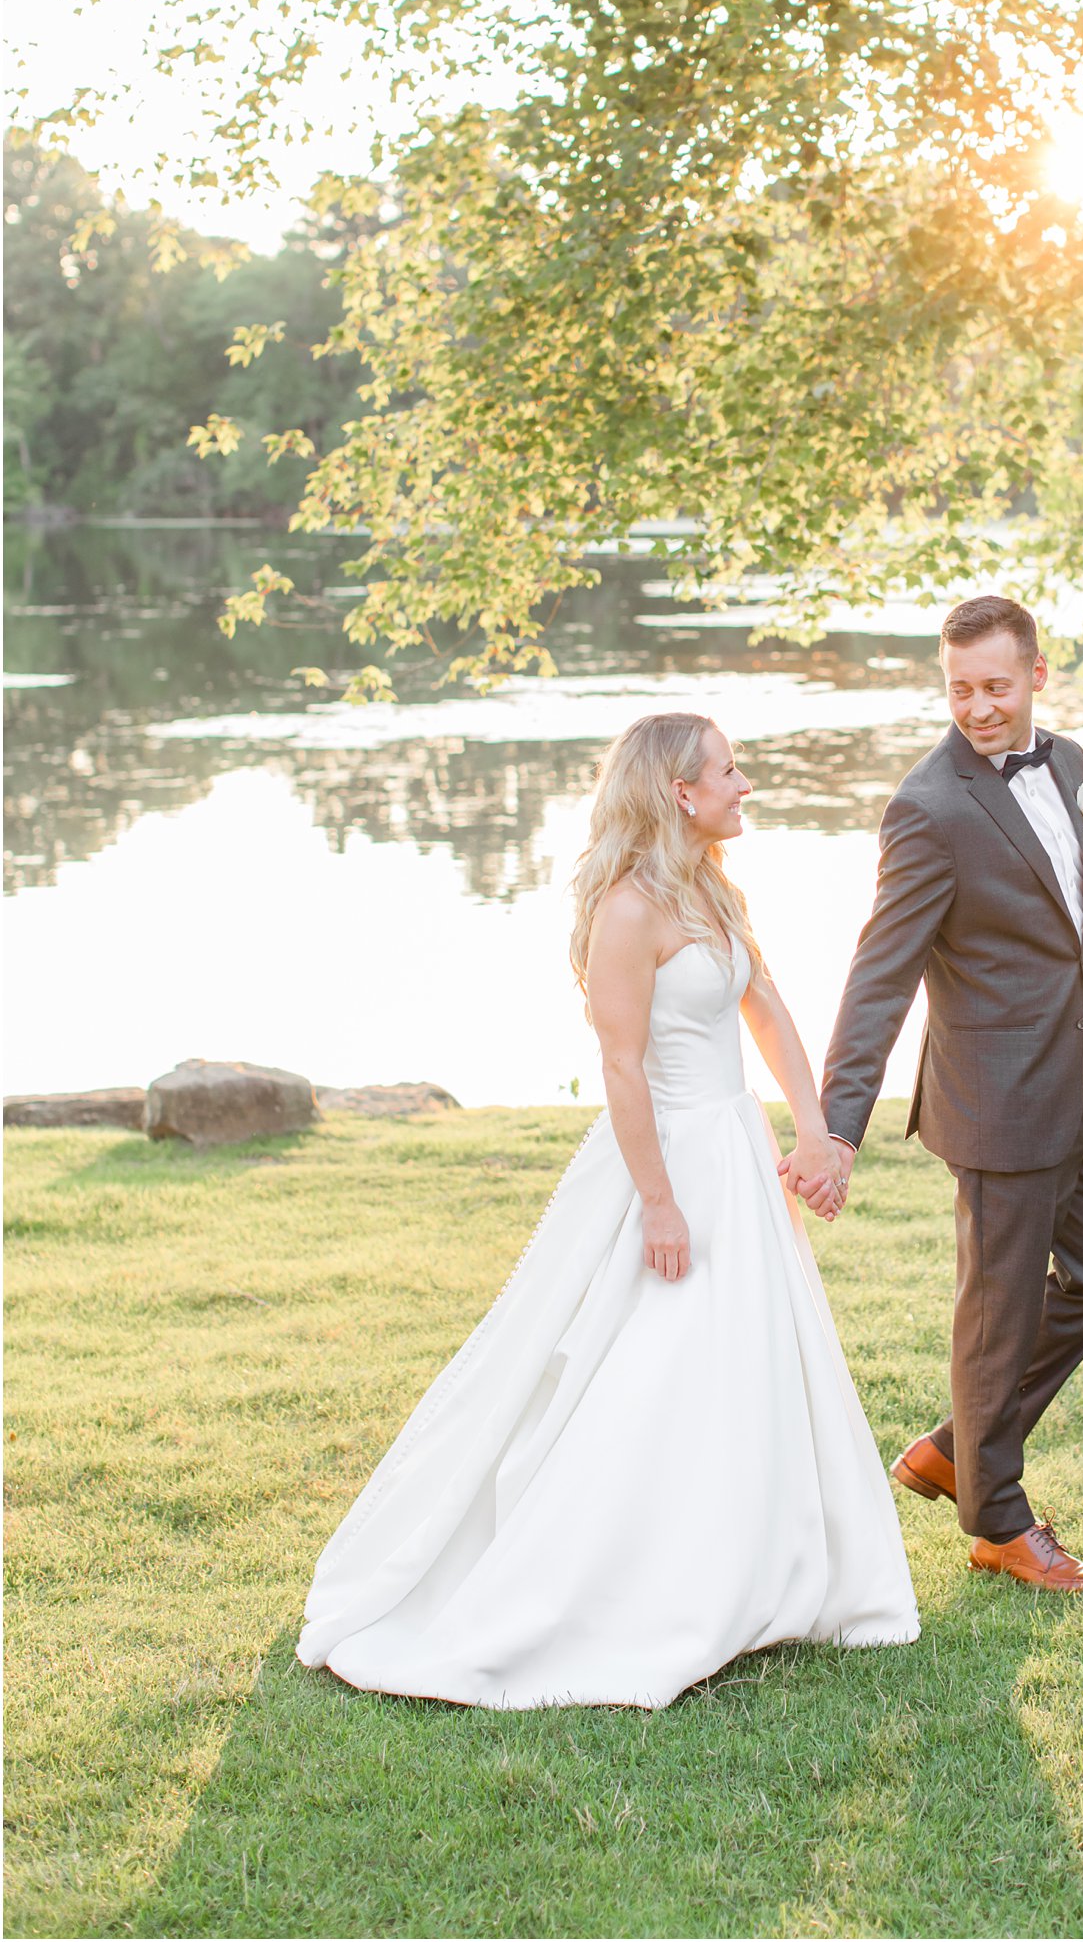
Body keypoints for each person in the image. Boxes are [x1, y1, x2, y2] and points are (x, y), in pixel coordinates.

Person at [297, 712, 918, 1709]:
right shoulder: (629, 912)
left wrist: (810, 1132)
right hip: (666, 1162)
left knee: (747, 1360)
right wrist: (659, 1204)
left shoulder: (713, 889)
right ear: (680, 791)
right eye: (728, 769)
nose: (743, 783)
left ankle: (762, 1569)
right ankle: (637, 1588)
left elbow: (767, 1010)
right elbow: (620, 1069)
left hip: (735, 1150)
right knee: (649, 1370)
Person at [791, 594, 1083, 1595]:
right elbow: (878, 975)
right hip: (996, 1102)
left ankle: (950, 1447)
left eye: (995, 687)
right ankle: (997, 1522)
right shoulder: (925, 808)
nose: (977, 708)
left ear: (1035, 677)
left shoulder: (1070, 767)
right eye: (958, 689)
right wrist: (835, 1127)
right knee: (998, 1319)